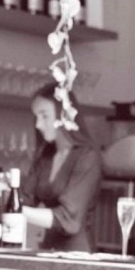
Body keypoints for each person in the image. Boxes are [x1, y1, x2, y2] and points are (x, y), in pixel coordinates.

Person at [22, 81, 102, 252]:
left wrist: (16, 212)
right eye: (36, 117)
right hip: (47, 249)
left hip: (77, 254)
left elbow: (68, 220)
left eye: (44, 116)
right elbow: (24, 199)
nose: (38, 125)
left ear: (64, 115)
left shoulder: (87, 157)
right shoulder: (46, 156)